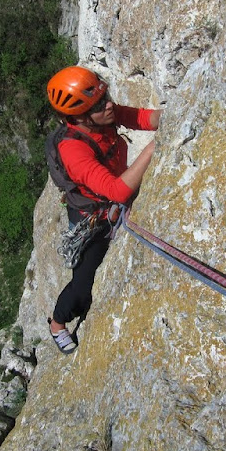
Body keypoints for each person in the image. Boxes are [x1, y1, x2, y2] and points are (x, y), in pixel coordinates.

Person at [46, 65, 160, 354]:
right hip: (92, 217)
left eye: (105, 95)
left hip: (112, 205)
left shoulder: (102, 118)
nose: (108, 104)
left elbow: (140, 118)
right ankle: (58, 323)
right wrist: (152, 148)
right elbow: (118, 190)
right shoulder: (74, 150)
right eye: (98, 104)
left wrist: (173, 118)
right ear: (79, 117)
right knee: (84, 283)